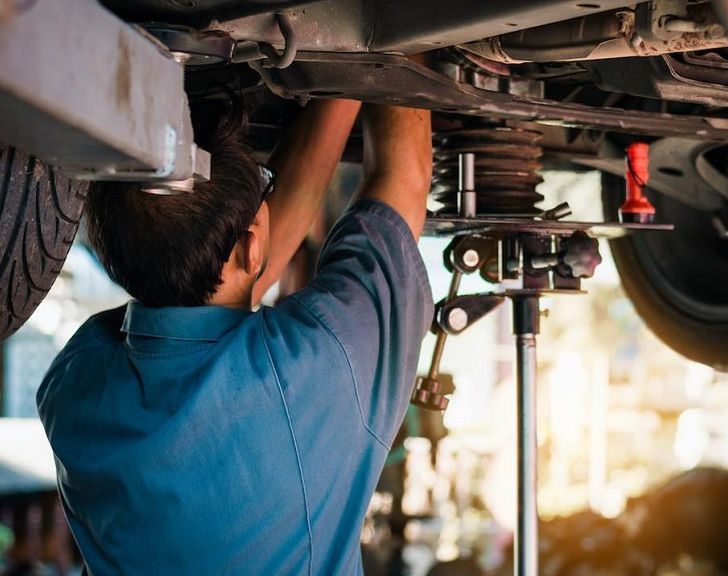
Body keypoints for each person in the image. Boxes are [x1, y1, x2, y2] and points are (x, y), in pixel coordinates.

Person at [35, 96, 433, 574]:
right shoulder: (73, 383)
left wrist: (364, 71)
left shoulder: (74, 390)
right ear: (250, 246)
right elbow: (220, 284)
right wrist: (362, 54)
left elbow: (401, 180)